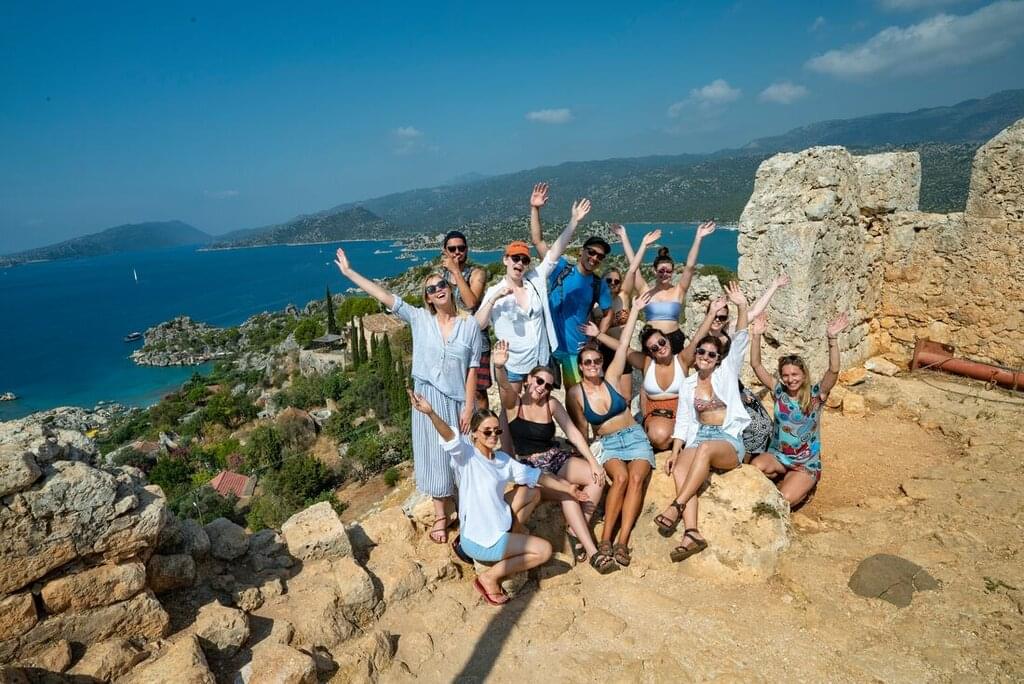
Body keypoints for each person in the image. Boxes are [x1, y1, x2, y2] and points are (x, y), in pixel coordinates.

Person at [334, 247, 482, 545]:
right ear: (427, 298)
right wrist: (350, 273)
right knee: (434, 458)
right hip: (427, 400)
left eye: (441, 284)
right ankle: (441, 517)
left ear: (450, 287)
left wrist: (469, 407)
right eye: (431, 289)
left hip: (457, 402)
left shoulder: (470, 327)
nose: (438, 289)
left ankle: (468, 511)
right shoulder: (419, 318)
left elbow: (472, 370)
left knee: (463, 458)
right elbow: (384, 296)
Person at [409, 393, 590, 605]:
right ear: (474, 434)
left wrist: (568, 488)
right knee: (544, 551)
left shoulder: (503, 459)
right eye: (487, 431)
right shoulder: (467, 456)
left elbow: (537, 476)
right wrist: (431, 413)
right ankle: (489, 578)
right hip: (483, 538)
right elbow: (449, 437)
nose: (493, 435)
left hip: (498, 522)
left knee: (532, 491)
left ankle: (513, 536)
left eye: (497, 431)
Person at [490, 340, 616, 573]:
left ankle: (575, 530)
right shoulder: (514, 404)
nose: (542, 388)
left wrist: (593, 462)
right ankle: (593, 553)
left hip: (555, 457)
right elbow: (505, 387)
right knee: (567, 492)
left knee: (596, 478)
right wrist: (499, 367)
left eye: (548, 385)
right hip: (532, 467)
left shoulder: (551, 403)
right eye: (539, 381)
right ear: (528, 380)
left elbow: (573, 433)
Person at [654, 284, 750, 563]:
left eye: (711, 354)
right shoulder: (688, 384)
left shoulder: (725, 374)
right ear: (695, 356)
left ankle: (676, 505)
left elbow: (740, 340)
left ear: (718, 359)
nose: (705, 357)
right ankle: (691, 532)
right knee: (680, 470)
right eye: (701, 352)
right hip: (700, 437)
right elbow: (684, 420)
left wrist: (742, 306)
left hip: (726, 439)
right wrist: (675, 452)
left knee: (705, 449)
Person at [566, 291, 655, 567]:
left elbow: (624, 343)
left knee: (637, 479)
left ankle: (622, 542)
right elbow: (581, 429)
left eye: (597, 361)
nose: (593, 365)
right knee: (620, 478)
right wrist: (586, 458)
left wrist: (635, 309)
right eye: (588, 362)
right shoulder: (575, 393)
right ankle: (605, 539)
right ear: (581, 367)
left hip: (634, 436)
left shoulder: (613, 378)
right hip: (609, 442)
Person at [583, 294, 730, 452]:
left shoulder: (681, 360)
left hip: (682, 411)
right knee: (658, 435)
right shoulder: (647, 363)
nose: (660, 347)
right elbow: (622, 348)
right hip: (655, 414)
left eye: (661, 342)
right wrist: (598, 334)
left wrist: (712, 313)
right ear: (650, 352)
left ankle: (677, 441)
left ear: (667, 340)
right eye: (654, 348)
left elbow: (697, 339)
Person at [474, 195, 591, 393]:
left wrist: (574, 221)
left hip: (540, 362)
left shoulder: (535, 280)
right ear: (505, 260)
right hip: (512, 364)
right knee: (512, 407)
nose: (519, 263)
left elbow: (555, 252)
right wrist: (493, 299)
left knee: (539, 407)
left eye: (524, 260)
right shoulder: (494, 291)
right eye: (515, 258)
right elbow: (478, 324)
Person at [748, 312, 849, 507]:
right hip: (778, 456)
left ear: (803, 375)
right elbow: (756, 365)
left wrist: (832, 338)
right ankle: (783, 477)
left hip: (805, 463)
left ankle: (804, 486)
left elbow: (833, 370)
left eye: (795, 374)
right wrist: (757, 335)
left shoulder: (816, 394)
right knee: (755, 468)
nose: (790, 379)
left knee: (783, 501)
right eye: (785, 375)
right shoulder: (779, 391)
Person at [528, 182, 611, 388]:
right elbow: (538, 241)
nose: (594, 258)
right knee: (540, 392)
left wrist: (596, 338)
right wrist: (535, 209)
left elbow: (608, 313)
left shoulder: (598, 284)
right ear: (582, 251)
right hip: (547, 347)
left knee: (575, 396)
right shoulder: (561, 268)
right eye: (591, 252)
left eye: (600, 256)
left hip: (575, 350)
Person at [704, 273, 790, 461]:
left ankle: (756, 461)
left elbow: (755, 310)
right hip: (716, 391)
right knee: (755, 427)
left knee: (766, 424)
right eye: (715, 315)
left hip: (736, 387)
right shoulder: (702, 338)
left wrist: (774, 285)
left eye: (722, 317)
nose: (718, 319)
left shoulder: (729, 329)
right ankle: (744, 462)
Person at [631, 221, 716, 354]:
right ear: (654, 271)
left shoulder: (679, 290)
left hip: (675, 340)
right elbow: (633, 270)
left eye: (668, 271)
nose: (665, 274)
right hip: (652, 342)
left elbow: (690, 266)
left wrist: (698, 237)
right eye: (661, 271)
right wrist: (643, 245)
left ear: (673, 272)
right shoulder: (646, 291)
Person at [596, 226, 660, 399]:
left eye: (616, 281)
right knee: (606, 396)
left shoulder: (624, 296)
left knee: (626, 397)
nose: (612, 283)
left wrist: (638, 242)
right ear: (602, 281)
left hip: (624, 350)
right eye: (608, 280)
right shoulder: (595, 304)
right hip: (603, 351)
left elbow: (633, 269)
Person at [439, 230, 490, 408]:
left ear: (467, 249)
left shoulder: (477, 274)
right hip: (450, 339)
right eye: (452, 249)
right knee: (453, 387)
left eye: (461, 248)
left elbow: (470, 303)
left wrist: (455, 272)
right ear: (445, 251)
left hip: (476, 341)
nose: (457, 252)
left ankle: (483, 423)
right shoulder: (440, 277)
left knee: (478, 391)